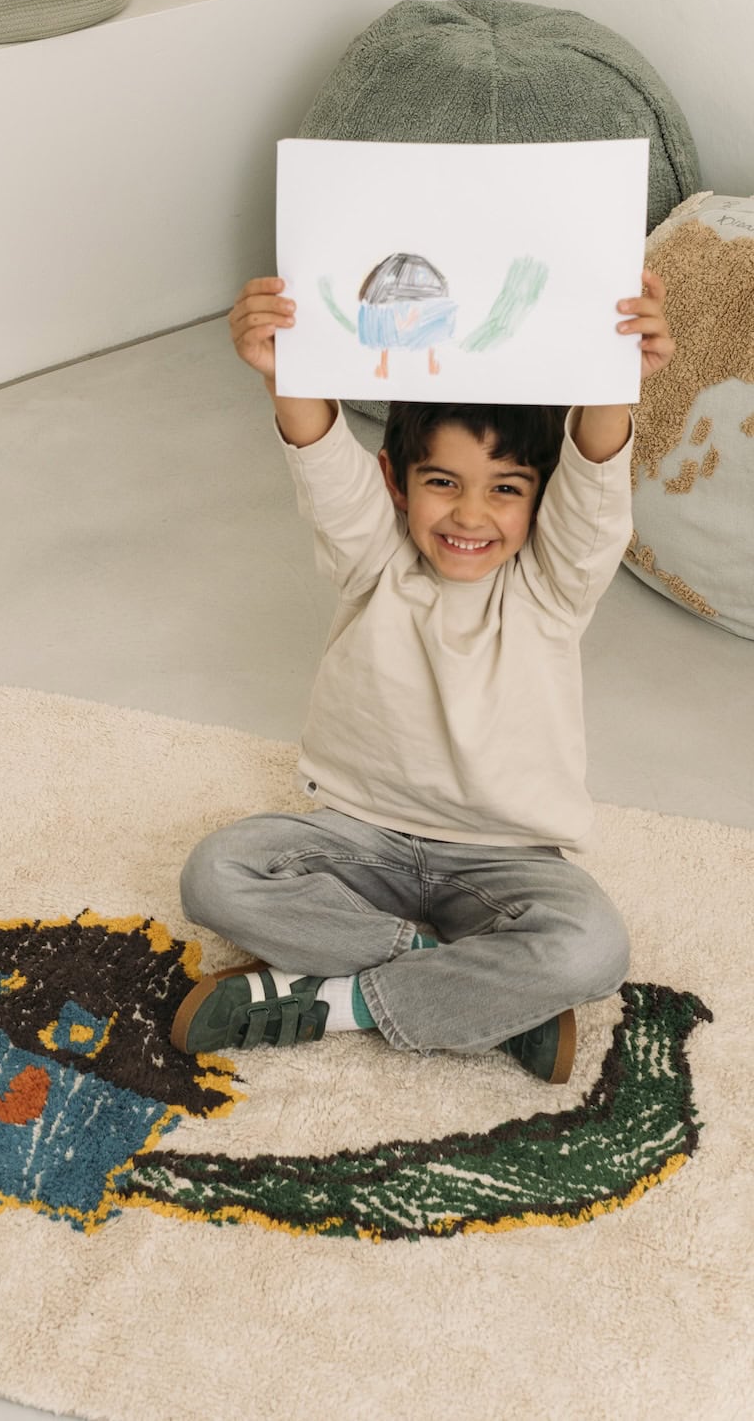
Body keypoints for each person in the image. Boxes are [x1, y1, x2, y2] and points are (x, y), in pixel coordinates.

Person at [171, 270, 674, 1083]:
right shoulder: (373, 559)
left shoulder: (554, 585)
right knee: (216, 874)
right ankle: (481, 987)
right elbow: (323, 468)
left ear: (538, 504)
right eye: (443, 484)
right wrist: (286, 367)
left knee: (594, 946)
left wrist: (614, 382)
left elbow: (593, 487)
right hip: (358, 836)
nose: (471, 516)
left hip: (508, 862)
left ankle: (336, 1003)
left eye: (505, 491)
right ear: (396, 484)